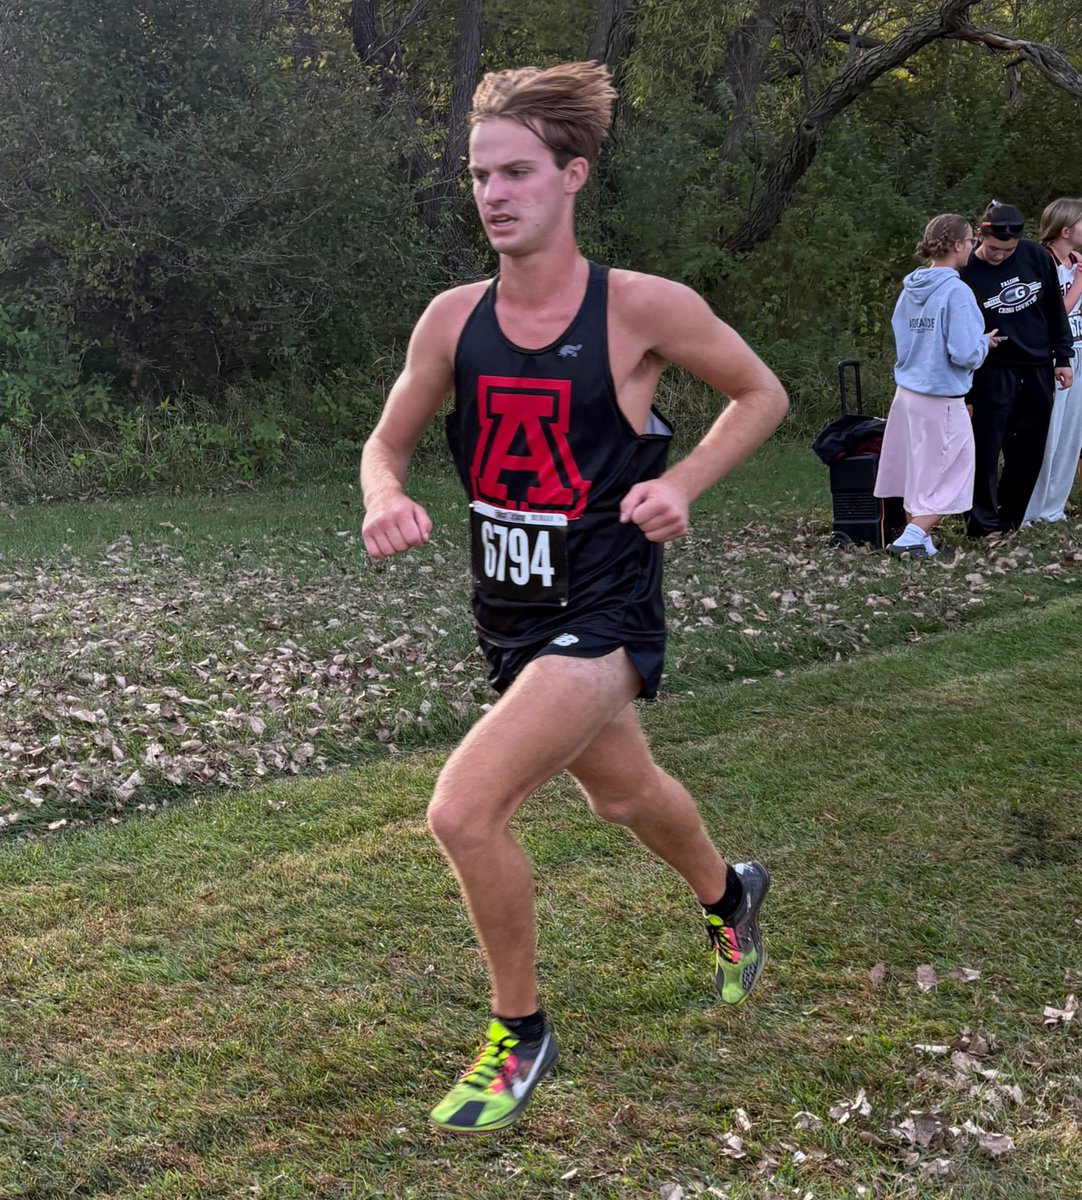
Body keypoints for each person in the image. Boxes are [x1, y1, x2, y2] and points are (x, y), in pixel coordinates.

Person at [360, 61, 788, 1135]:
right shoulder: (453, 320)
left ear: (570, 176)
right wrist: (384, 495)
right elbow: (385, 443)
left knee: (463, 810)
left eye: (514, 172)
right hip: (508, 617)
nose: (493, 193)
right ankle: (729, 896)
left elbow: (759, 392)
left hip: (603, 615)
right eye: (477, 176)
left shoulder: (639, 308)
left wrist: (679, 482)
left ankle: (520, 1032)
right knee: (623, 795)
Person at [875, 215, 1001, 559]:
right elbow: (962, 352)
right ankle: (911, 535)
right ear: (959, 245)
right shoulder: (957, 291)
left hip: (908, 392)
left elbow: (905, 335)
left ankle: (920, 539)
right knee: (955, 471)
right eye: (971, 243)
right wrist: (983, 345)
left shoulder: (911, 288)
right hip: (940, 396)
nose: (973, 248)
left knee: (919, 469)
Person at [959, 201, 1073, 536]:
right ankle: (981, 523)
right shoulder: (966, 271)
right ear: (982, 234)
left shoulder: (1034, 256)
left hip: (1037, 365)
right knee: (986, 448)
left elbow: (1054, 307)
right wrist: (966, 390)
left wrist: (1062, 356)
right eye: (994, 249)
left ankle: (1010, 519)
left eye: (1007, 251)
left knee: (1029, 449)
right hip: (992, 370)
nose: (999, 256)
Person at [1022, 197, 1082, 524]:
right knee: (1050, 431)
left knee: (1072, 432)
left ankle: (1053, 508)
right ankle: (1031, 508)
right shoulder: (1040, 259)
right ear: (1066, 229)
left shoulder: (1076, 261)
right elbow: (1054, 312)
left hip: (1078, 350)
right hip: (1051, 357)